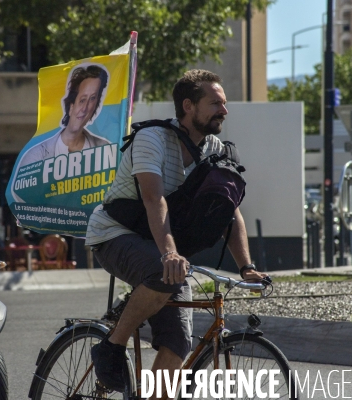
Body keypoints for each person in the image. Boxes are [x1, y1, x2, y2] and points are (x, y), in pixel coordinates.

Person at [85, 69, 268, 395]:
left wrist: (247, 267)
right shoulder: (151, 139)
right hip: (114, 235)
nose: (224, 110)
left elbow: (230, 212)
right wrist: (169, 252)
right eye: (215, 103)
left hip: (162, 249)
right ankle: (112, 347)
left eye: (224, 104)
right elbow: (154, 198)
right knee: (160, 268)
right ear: (188, 105)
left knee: (178, 342)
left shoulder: (215, 150)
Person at [17, 64, 111, 168]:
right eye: (82, 100)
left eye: (92, 98)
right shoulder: (37, 156)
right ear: (71, 106)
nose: (85, 108)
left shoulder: (104, 149)